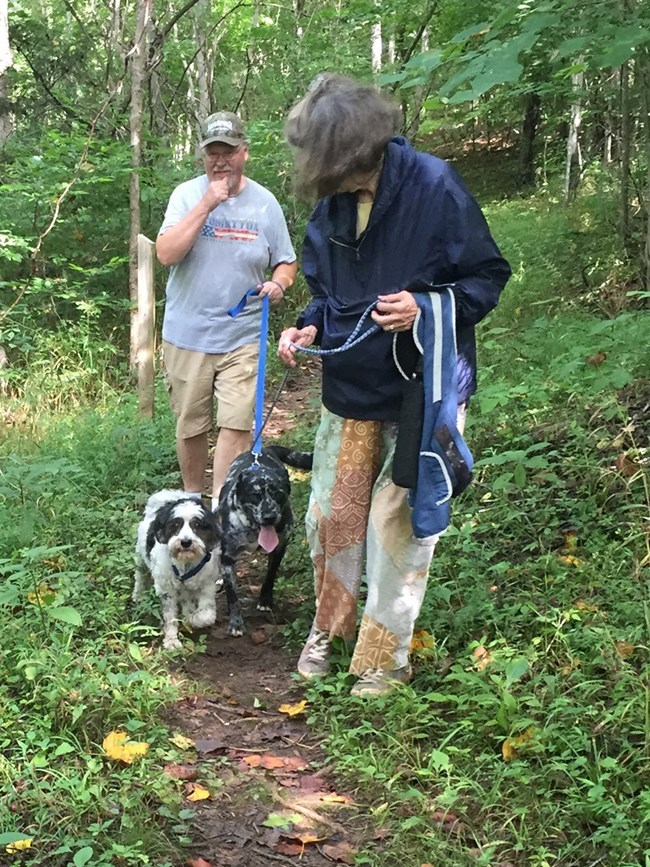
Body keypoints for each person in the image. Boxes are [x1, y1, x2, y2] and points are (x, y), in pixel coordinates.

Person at [278, 74, 511, 698]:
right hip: (352, 387)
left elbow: (487, 276)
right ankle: (331, 625)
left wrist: (426, 307)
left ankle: (385, 655)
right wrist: (304, 328)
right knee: (335, 514)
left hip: (422, 386)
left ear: (358, 148)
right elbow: (324, 291)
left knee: (397, 523)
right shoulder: (331, 204)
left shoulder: (436, 186)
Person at [157, 111, 297, 507]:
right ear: (203, 156)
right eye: (212, 153)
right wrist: (206, 204)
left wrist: (280, 283)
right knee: (191, 426)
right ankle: (190, 501)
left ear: (244, 153)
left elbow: (286, 260)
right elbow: (166, 253)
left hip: (243, 336)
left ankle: (221, 509)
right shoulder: (186, 196)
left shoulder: (265, 203)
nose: (220, 161)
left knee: (235, 424)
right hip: (187, 335)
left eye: (228, 152)